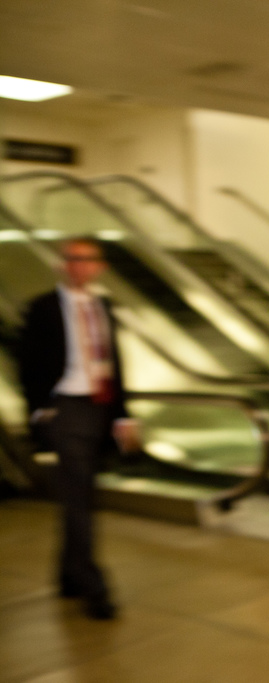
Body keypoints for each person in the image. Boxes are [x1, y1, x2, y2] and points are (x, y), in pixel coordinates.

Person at [18, 237, 138, 620]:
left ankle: (68, 574)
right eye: (72, 259)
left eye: (87, 259)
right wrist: (40, 412)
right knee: (80, 499)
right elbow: (27, 365)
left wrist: (123, 415)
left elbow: (114, 363)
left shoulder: (104, 306)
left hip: (99, 408)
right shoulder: (43, 307)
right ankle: (93, 586)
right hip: (65, 409)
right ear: (61, 265)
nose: (79, 266)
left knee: (79, 496)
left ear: (99, 266)